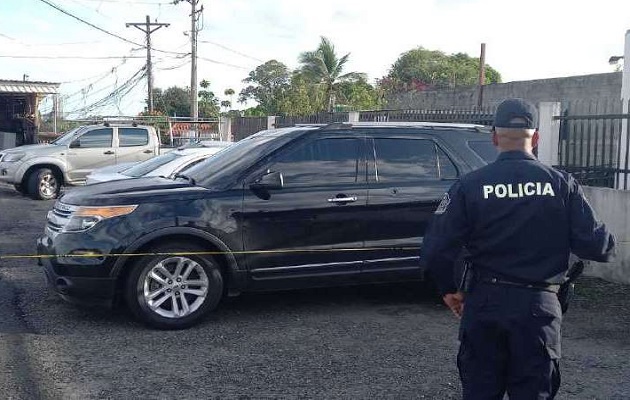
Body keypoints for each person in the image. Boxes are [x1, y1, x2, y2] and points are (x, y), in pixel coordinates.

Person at [420, 98, 615, 399]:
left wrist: (450, 291)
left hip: (484, 303)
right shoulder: (562, 184)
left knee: (481, 390)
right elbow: (598, 246)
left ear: (494, 137)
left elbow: (436, 248)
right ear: (536, 138)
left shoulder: (470, 185)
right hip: (539, 307)